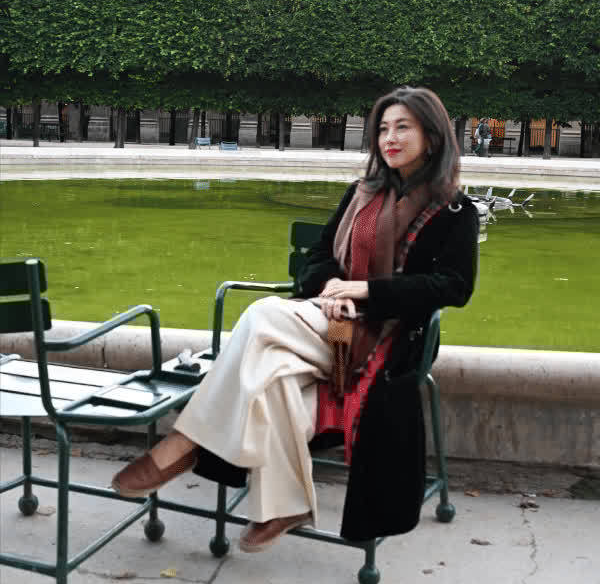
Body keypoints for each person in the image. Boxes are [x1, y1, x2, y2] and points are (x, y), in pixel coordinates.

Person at [112, 86, 479, 551]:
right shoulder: (362, 193)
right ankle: (284, 506)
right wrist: (332, 290)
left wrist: (366, 292)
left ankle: (185, 442)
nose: (390, 138)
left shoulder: (455, 211)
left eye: (402, 127)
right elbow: (318, 258)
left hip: (384, 344)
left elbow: (453, 287)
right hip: (332, 324)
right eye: (383, 128)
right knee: (273, 370)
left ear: (432, 135)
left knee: (264, 316)